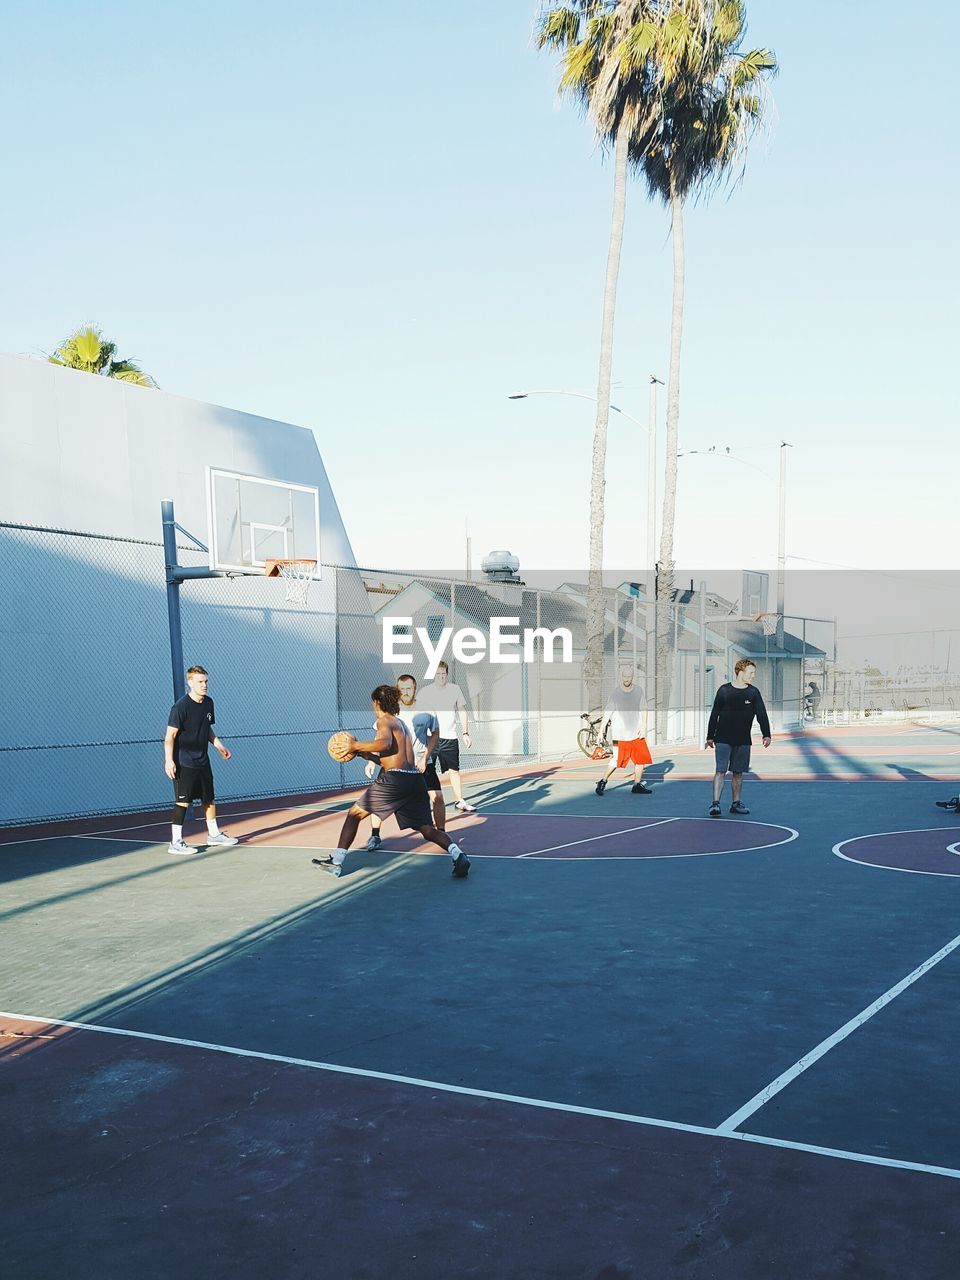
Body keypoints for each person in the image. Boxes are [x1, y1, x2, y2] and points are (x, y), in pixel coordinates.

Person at [313, 684, 470, 878]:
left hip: (395, 780)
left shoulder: (384, 721)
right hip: (414, 779)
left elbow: (384, 743)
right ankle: (458, 854)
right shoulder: (401, 724)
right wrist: (366, 755)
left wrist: (354, 744)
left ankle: (336, 863)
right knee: (427, 829)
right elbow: (391, 757)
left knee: (353, 815)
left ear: (377, 703)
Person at [364, 673, 444, 852]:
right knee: (378, 800)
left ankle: (442, 833)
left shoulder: (427, 709)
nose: (406, 692)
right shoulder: (391, 712)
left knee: (437, 797)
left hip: (422, 763)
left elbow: (436, 733)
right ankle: (375, 835)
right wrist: (371, 759)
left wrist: (425, 757)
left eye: (409, 688)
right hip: (394, 763)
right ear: (397, 690)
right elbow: (381, 737)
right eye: (402, 689)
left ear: (415, 689)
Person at [164, 665, 238, 855]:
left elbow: (207, 729)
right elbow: (170, 736)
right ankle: (176, 842)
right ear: (190, 683)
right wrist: (169, 761)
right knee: (183, 801)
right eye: (200, 682)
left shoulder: (208, 703)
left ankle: (213, 835)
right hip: (184, 762)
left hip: (202, 760)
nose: (204, 685)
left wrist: (219, 746)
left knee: (209, 798)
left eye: (206, 681)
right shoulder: (180, 707)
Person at [705, 659, 771, 816]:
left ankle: (736, 803)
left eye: (754, 673)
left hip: (742, 740)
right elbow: (714, 714)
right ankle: (715, 804)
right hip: (722, 738)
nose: (753, 676)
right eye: (751, 673)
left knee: (738, 772)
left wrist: (766, 733)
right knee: (720, 771)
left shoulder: (753, 692)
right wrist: (710, 736)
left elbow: (761, 713)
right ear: (741, 672)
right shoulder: (724, 691)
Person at [417, 660, 476, 812]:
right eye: (438, 674)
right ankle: (422, 803)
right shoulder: (424, 692)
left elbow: (462, 710)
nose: (441, 677)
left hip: (450, 738)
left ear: (447, 675)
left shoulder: (454, 689)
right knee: (425, 770)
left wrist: (465, 733)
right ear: (433, 675)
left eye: (444, 674)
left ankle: (459, 800)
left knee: (454, 770)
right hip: (430, 739)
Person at [595, 665, 652, 796]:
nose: (627, 679)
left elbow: (644, 708)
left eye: (629, 676)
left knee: (641, 759)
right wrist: (600, 731)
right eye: (625, 676)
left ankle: (636, 785)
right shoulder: (615, 694)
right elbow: (607, 713)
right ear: (621, 677)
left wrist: (643, 726)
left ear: (632, 677)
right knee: (616, 760)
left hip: (636, 733)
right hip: (620, 735)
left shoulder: (638, 691)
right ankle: (603, 781)